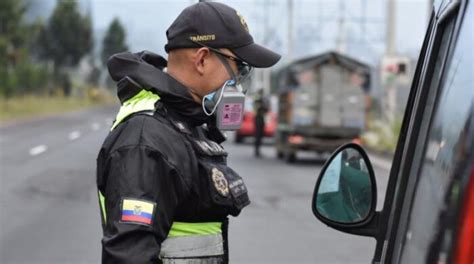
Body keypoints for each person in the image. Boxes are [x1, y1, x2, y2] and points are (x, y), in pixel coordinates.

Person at [96, 2, 280, 264]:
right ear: (202, 59)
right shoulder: (146, 140)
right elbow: (129, 257)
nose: (241, 81)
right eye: (240, 67)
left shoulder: (188, 123)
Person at [253, 89, 269, 157]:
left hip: (261, 118)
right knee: (258, 135)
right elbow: (261, 107)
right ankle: (257, 150)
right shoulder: (258, 100)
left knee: (260, 135)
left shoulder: (261, 100)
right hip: (258, 118)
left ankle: (258, 150)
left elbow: (266, 109)